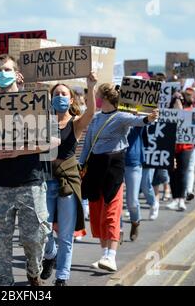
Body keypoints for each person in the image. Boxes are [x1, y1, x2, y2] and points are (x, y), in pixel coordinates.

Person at [0, 54, 51, 286]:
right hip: (0, 184)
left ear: (16, 73)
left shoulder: (33, 102)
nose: (2, 73)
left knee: (35, 237)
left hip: (31, 182)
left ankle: (33, 269)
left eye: (7, 69)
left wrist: (20, 151)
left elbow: (48, 141)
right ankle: (2, 284)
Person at [80, 83, 159, 272]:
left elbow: (139, 121)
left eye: (97, 95)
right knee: (97, 213)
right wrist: (81, 165)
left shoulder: (122, 116)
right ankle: (104, 254)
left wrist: (151, 117)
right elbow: (87, 144)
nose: (95, 99)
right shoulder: (96, 118)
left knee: (111, 212)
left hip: (113, 168)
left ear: (105, 98)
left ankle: (112, 256)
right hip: (95, 168)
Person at [40, 74, 97, 286]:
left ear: (71, 99)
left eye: (64, 94)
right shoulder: (42, 122)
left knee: (65, 234)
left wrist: (91, 87)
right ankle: (50, 255)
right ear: (50, 99)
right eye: (56, 94)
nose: (60, 97)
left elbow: (90, 113)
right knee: (42, 229)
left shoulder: (75, 124)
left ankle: (62, 276)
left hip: (67, 182)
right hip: (45, 180)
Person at [166, 90, 195, 211]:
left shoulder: (190, 113)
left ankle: (181, 200)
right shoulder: (168, 115)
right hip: (171, 148)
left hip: (186, 147)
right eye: (175, 102)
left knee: (182, 173)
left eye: (180, 101)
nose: (178, 104)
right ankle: (175, 199)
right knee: (172, 173)